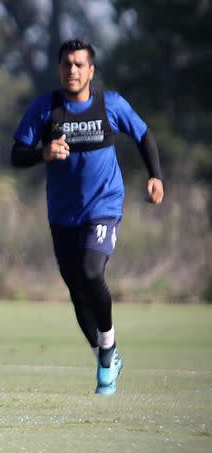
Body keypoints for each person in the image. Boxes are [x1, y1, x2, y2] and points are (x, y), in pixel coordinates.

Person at [10, 38, 163, 395]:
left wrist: (155, 175)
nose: (73, 70)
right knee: (77, 289)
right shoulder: (45, 109)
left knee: (92, 270)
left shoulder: (111, 105)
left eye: (80, 64)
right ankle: (105, 356)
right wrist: (42, 153)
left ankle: (108, 350)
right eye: (67, 64)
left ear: (91, 71)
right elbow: (17, 154)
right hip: (63, 214)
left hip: (104, 207)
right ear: (59, 69)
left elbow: (143, 135)